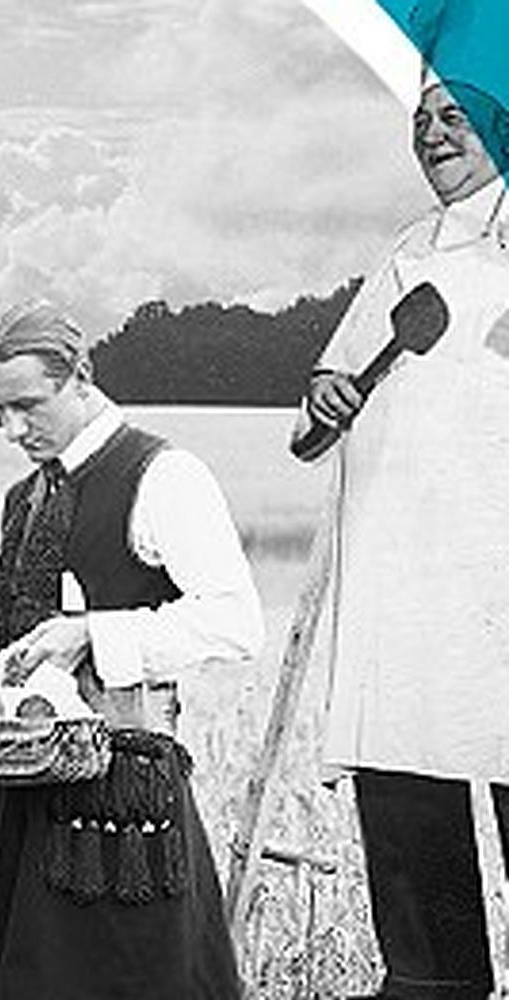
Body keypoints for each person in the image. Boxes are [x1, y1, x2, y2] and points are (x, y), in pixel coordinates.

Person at [0, 302, 263, 999]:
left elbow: (236, 622)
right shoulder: (22, 496)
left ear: (79, 377)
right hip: (6, 801)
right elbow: (27, 626)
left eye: (27, 406)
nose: (12, 430)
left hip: (112, 813)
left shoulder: (164, 474)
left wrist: (96, 633)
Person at [295, 2, 509, 996]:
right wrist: (325, 395)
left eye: (453, 118)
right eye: (420, 121)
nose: (431, 135)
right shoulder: (404, 253)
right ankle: (432, 984)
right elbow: (323, 401)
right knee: (406, 776)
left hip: (495, 574)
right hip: (401, 577)